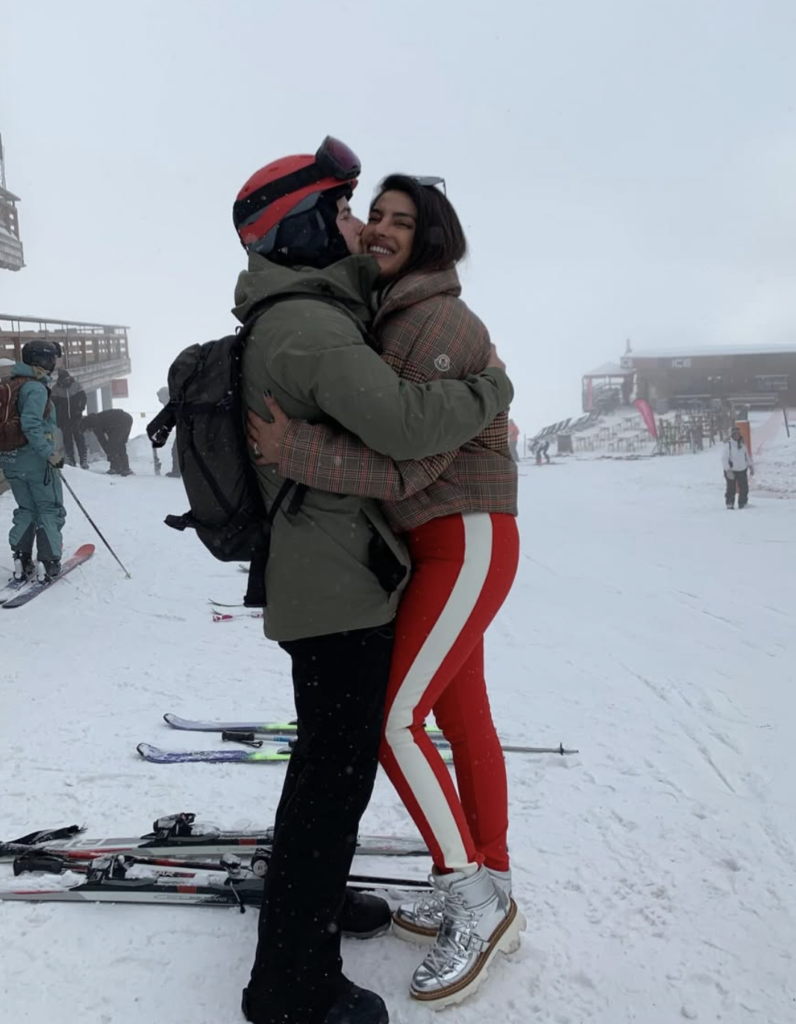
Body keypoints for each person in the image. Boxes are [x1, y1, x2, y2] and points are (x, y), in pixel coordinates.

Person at [232, 141, 514, 1024]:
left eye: (391, 217)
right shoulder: (322, 322)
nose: (368, 227)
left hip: (414, 553)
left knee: (367, 748)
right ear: (307, 226)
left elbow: (409, 460)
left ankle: (475, 890)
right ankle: (297, 976)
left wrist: (488, 392)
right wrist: (493, 391)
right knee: (341, 766)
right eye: (355, 210)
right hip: (346, 581)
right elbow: (399, 437)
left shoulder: (395, 318)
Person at [0, 341, 66, 581]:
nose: (53, 365)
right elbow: (31, 425)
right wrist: (50, 453)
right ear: (42, 360)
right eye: (52, 360)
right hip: (35, 459)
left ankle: (22, 558)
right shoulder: (36, 388)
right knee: (49, 508)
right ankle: (50, 561)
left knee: (27, 508)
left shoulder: (10, 384)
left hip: (10, 458)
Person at [51, 369, 89, 468]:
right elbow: (53, 405)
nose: (68, 381)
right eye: (65, 379)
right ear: (61, 379)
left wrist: (80, 409)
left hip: (76, 417)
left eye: (68, 378)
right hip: (64, 419)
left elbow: (83, 398)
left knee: (79, 438)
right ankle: (71, 460)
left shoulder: (76, 385)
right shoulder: (55, 389)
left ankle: (83, 460)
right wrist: (58, 417)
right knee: (67, 440)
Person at [81, 408, 134, 476]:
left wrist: (108, 453)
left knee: (112, 446)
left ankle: (116, 467)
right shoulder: (95, 419)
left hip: (122, 422)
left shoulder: (94, 424)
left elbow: (102, 440)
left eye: (86, 431)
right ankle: (124, 468)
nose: (88, 432)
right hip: (125, 420)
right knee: (119, 444)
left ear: (86, 426)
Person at [722, 425, 753, 509]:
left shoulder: (742, 444)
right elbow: (724, 458)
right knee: (731, 488)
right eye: (735, 434)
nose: (737, 435)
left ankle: (742, 503)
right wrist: (727, 470)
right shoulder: (728, 445)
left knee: (744, 488)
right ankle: (730, 503)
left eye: (738, 434)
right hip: (732, 470)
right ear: (732, 435)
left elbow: (747, 456)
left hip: (742, 469)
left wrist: (750, 465)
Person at [156, 386, 180, 476]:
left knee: (176, 450)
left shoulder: (174, 403)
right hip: (188, 429)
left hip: (187, 429)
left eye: (160, 399)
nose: (161, 401)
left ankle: (177, 471)